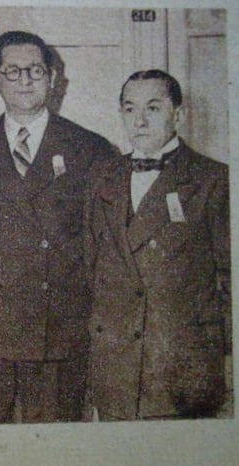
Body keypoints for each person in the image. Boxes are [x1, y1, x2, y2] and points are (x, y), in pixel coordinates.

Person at [0, 30, 115, 424]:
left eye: (35, 70)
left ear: (54, 77)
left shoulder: (89, 148)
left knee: (52, 458)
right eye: (13, 71)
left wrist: (101, 339)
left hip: (59, 336)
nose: (25, 80)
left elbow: (103, 254)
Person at [87, 70, 230, 420]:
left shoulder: (214, 179)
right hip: (115, 368)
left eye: (152, 108)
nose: (139, 120)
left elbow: (230, 279)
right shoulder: (102, 177)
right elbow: (90, 268)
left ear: (177, 115)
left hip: (179, 369)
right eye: (130, 108)